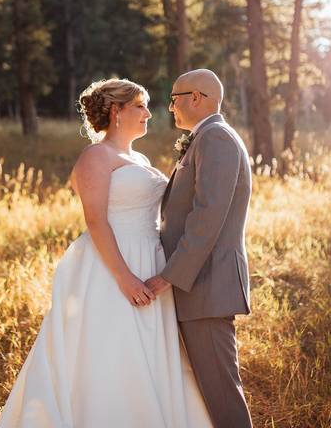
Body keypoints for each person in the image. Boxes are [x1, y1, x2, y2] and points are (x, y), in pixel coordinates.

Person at [0, 78, 212, 427]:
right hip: (113, 265)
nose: (147, 114)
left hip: (148, 258)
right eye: (139, 106)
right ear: (116, 111)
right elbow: (96, 221)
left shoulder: (136, 156)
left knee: (149, 353)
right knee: (113, 352)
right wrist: (125, 279)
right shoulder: (96, 156)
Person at [145, 68, 254, 427]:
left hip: (206, 285)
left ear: (195, 98)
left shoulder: (216, 139)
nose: (169, 107)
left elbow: (208, 218)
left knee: (222, 395)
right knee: (207, 393)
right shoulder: (205, 137)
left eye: (173, 98)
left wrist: (168, 276)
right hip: (199, 286)